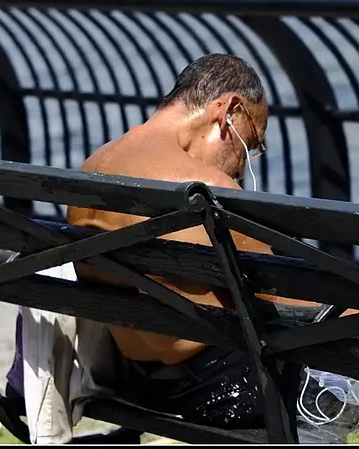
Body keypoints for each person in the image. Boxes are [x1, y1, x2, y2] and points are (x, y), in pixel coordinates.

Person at [64, 53, 332, 429]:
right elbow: (292, 301)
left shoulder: (92, 167)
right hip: (222, 388)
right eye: (250, 144)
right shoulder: (209, 191)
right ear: (229, 111)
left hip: (136, 381)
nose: (242, 168)